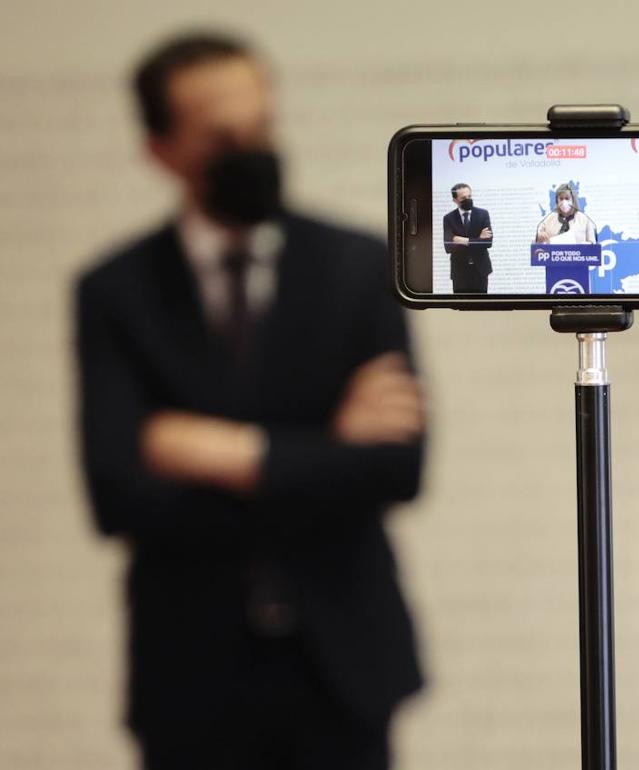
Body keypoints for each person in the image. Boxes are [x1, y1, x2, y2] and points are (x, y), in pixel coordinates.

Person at [73, 32, 426, 770]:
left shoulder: (357, 268)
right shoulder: (115, 293)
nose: (252, 150)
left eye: (262, 125)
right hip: (189, 672)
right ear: (162, 150)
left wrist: (230, 452)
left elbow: (396, 468)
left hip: (344, 666)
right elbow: (120, 495)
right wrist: (324, 448)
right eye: (222, 137)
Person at [442, 183, 493, 293]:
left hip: (480, 269)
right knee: (461, 306)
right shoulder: (448, 218)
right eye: (463, 198)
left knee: (482, 306)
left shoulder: (483, 214)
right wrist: (478, 239)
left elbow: (487, 243)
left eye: (469, 196)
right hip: (459, 271)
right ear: (455, 200)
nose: (468, 199)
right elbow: (449, 246)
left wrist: (461, 240)